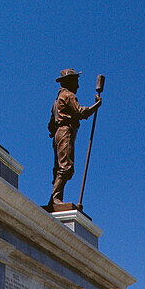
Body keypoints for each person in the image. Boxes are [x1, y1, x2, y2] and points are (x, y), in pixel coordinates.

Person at [48, 69, 101, 209]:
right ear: (69, 82)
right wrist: (96, 105)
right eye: (76, 82)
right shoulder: (68, 95)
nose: (78, 86)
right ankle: (55, 199)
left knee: (59, 168)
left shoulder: (57, 100)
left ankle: (54, 199)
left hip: (58, 134)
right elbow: (81, 113)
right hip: (66, 132)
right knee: (66, 167)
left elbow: (50, 125)